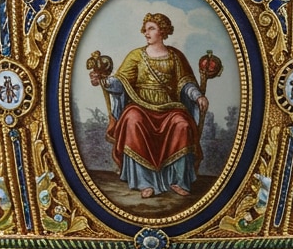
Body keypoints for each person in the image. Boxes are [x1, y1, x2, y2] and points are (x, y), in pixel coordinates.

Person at [89, 13, 208, 198]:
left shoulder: (176, 57)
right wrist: (104, 81)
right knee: (132, 119)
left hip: (169, 107)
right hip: (140, 105)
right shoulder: (136, 56)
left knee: (183, 124)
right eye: (145, 29)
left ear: (163, 31)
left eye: (151, 28)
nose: (146, 33)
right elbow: (121, 82)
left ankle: (178, 180)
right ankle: (144, 182)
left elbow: (185, 83)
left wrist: (198, 96)